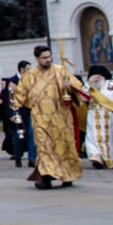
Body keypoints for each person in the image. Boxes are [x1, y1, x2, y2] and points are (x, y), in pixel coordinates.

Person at [12, 45, 86, 190]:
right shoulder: (29, 76)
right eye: (44, 58)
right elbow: (20, 98)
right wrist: (13, 94)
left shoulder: (60, 70)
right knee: (44, 148)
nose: (48, 60)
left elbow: (78, 87)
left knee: (64, 147)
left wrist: (69, 86)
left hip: (61, 117)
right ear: (36, 59)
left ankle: (67, 176)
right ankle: (45, 178)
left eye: (49, 57)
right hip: (41, 119)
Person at [0, 74, 25, 167]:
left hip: (17, 115)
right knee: (13, 135)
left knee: (18, 135)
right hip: (10, 116)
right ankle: (16, 154)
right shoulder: (6, 92)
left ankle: (17, 154)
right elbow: (6, 103)